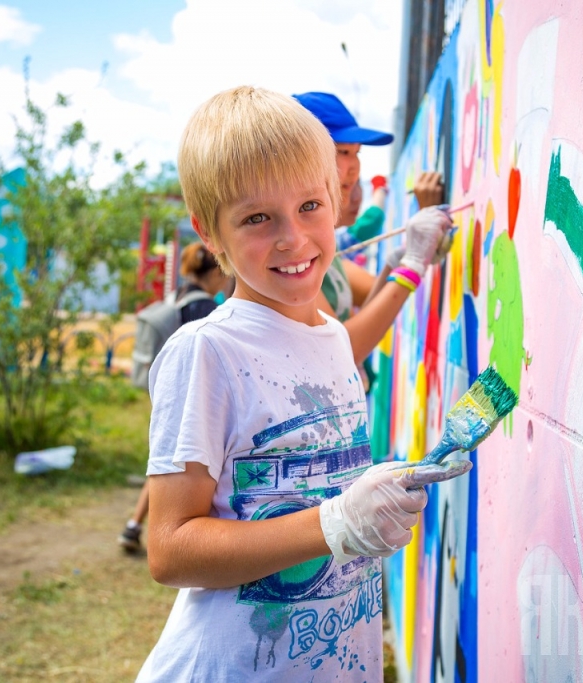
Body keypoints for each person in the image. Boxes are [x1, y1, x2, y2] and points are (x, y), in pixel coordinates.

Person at [136, 86, 470, 680]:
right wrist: (336, 522)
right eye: (258, 218)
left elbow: (320, 492)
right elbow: (169, 548)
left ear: (337, 203)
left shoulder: (335, 338)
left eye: (310, 206)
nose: (293, 238)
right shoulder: (208, 351)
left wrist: (374, 495)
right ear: (208, 231)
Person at [292, 91, 448, 363]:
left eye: (357, 153)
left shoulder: (323, 252)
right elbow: (342, 352)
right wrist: (411, 264)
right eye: (343, 151)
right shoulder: (293, 256)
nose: (354, 167)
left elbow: (369, 307)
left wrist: (397, 261)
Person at [118, 242, 231, 552]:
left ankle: (133, 525)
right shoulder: (205, 307)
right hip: (188, 397)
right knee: (173, 467)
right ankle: (156, 529)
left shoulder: (178, 296)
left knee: (165, 463)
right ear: (215, 272)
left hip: (166, 389)